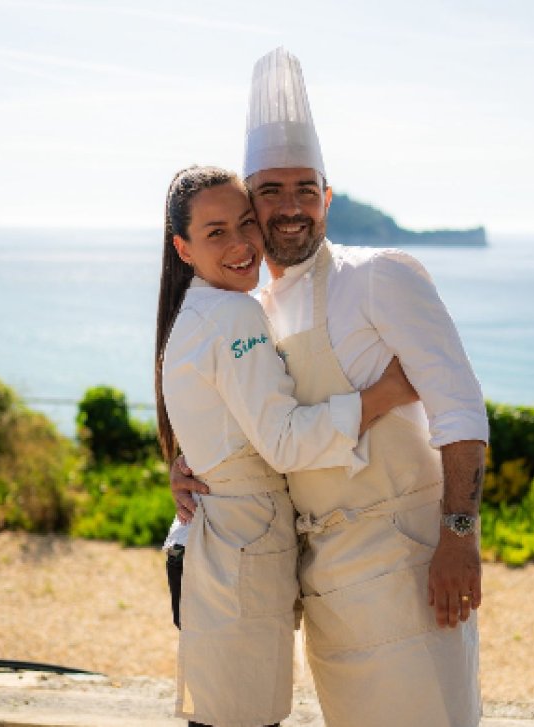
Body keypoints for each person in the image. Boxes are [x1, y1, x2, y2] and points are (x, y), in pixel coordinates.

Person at [171, 48, 490, 727]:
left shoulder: (382, 276)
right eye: (271, 193)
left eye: (305, 189)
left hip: (410, 575)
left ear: (329, 196)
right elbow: (257, 423)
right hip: (326, 590)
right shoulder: (252, 308)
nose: (290, 209)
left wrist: (460, 536)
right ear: (251, 207)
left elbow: (461, 408)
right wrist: (196, 462)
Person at [155, 165, 418, 727]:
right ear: (183, 248)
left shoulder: (198, 313)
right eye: (215, 232)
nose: (240, 243)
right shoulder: (234, 313)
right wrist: (386, 393)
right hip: (240, 546)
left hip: (217, 541)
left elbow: (220, 427)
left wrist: (191, 463)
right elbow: (282, 442)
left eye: (246, 223)